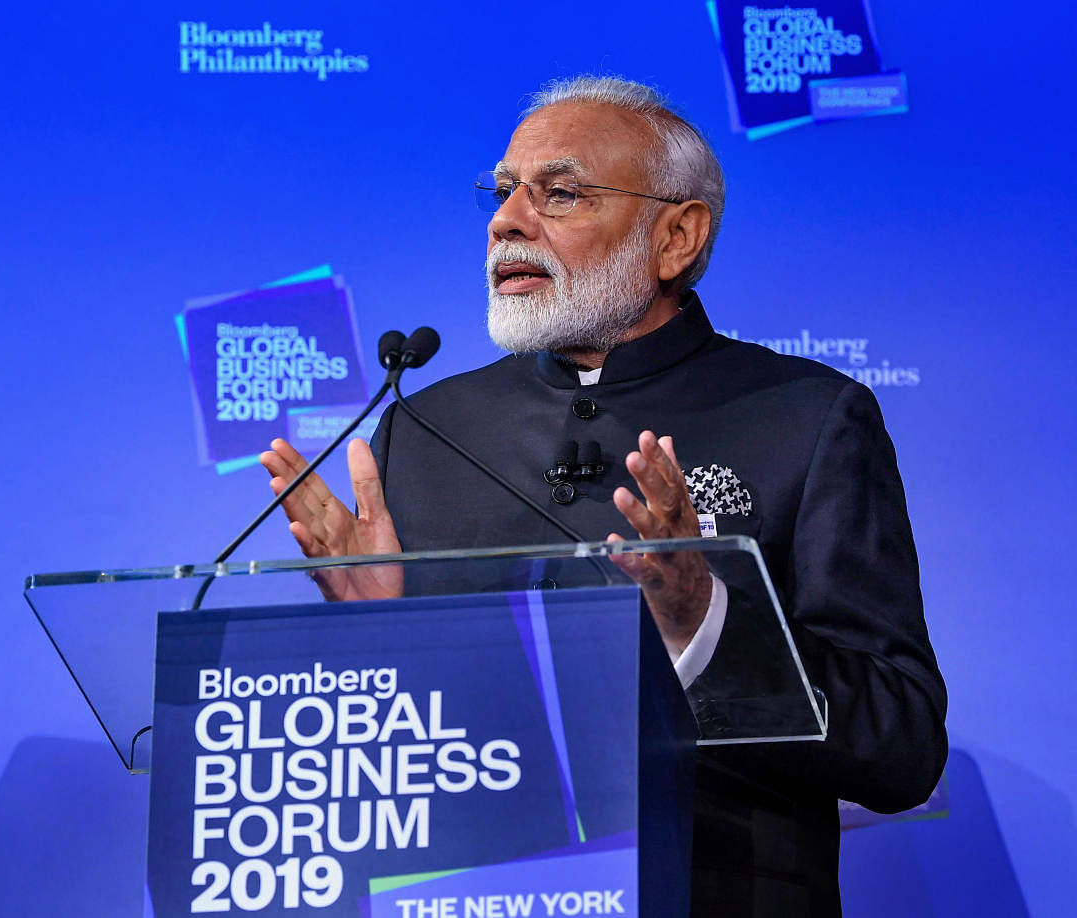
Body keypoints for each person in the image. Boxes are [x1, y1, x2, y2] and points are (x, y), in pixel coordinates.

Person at [260, 75, 947, 917]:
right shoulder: (426, 427)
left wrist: (707, 622)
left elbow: (903, 747)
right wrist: (378, 642)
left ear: (676, 238)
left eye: (561, 193)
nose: (507, 220)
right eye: (504, 189)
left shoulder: (805, 417)